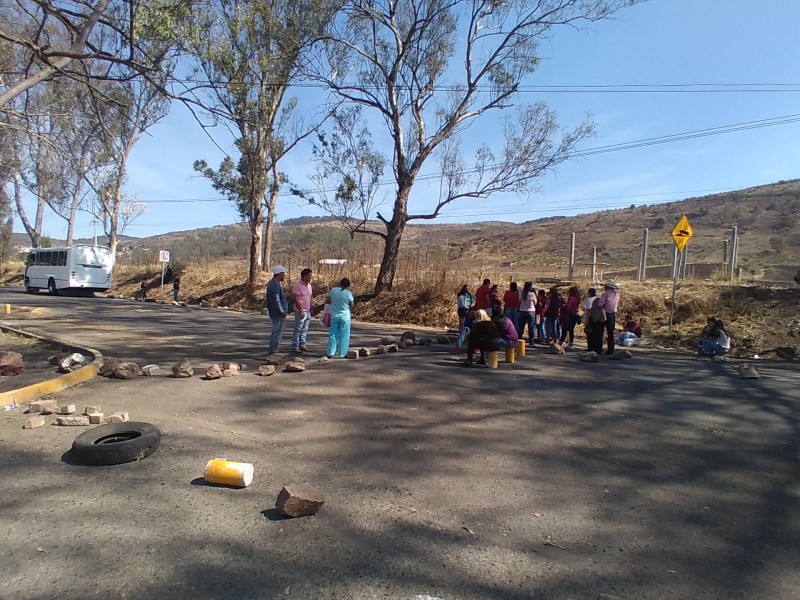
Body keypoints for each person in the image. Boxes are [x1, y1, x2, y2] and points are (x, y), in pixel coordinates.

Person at [326, 278, 355, 358]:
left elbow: (327, 301)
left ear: (340, 283)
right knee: (344, 335)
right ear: (348, 285)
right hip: (345, 316)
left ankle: (330, 352)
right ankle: (342, 353)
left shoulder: (334, 290)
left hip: (334, 315)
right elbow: (352, 305)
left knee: (333, 334)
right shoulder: (348, 293)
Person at [265, 265, 288, 355]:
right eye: (283, 273)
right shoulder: (274, 285)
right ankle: (273, 349)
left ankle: (275, 347)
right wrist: (282, 311)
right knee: (277, 330)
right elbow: (277, 299)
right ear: (279, 274)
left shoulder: (274, 283)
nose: (284, 275)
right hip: (277, 313)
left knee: (278, 331)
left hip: (277, 312)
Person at [291, 268, 313, 352]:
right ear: (305, 276)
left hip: (308, 310)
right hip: (300, 310)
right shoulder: (298, 286)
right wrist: (301, 310)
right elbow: (296, 299)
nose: (311, 277)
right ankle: (295, 345)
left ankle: (302, 344)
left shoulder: (309, 285)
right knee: (298, 328)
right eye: (309, 275)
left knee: (305, 329)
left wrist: (311, 305)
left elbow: (310, 296)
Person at [597, 279, 621, 354]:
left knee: (600, 331)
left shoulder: (605, 294)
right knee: (610, 332)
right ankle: (611, 349)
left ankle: (599, 348)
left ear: (607, 286)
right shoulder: (616, 294)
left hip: (604, 313)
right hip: (612, 314)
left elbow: (600, 304)